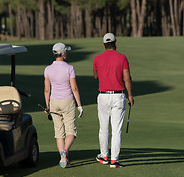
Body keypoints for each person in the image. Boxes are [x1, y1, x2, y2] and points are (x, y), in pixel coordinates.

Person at [93, 33, 134, 168]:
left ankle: (104, 156)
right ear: (116, 43)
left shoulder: (97, 58)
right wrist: (130, 95)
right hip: (118, 96)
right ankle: (114, 160)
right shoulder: (122, 58)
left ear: (103, 45)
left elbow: (95, 76)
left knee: (103, 129)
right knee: (116, 130)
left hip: (103, 96)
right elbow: (127, 78)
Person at [44, 42, 83, 168]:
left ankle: (63, 157)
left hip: (54, 102)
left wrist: (47, 105)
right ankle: (65, 152)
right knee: (71, 131)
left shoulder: (48, 69)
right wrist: (79, 105)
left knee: (59, 132)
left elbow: (46, 90)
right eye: (66, 51)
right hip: (67, 101)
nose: (67, 53)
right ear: (62, 53)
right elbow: (75, 88)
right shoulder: (69, 68)